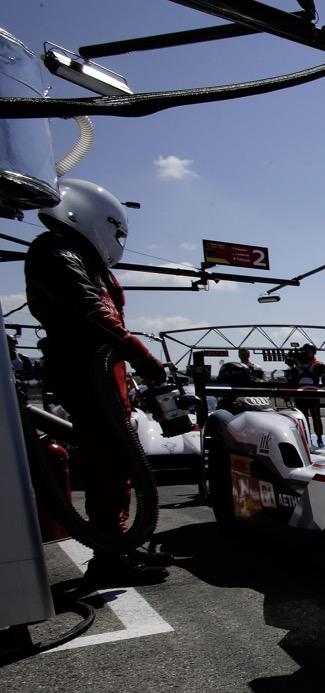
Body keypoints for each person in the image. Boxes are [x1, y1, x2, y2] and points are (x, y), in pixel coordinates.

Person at [24, 179, 169, 585]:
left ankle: (116, 545)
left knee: (118, 459)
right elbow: (92, 311)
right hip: (87, 367)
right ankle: (109, 555)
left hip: (101, 368)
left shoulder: (77, 256)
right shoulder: (56, 250)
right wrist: (143, 357)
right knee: (108, 459)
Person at [291, 344, 325, 448]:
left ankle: (319, 438)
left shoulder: (318, 364)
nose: (306, 353)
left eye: (308, 351)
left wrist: (301, 367)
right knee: (303, 418)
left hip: (313, 394)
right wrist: (294, 366)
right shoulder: (298, 364)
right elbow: (293, 377)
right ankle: (307, 438)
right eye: (304, 351)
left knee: (316, 417)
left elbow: (315, 375)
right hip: (300, 394)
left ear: (313, 352)